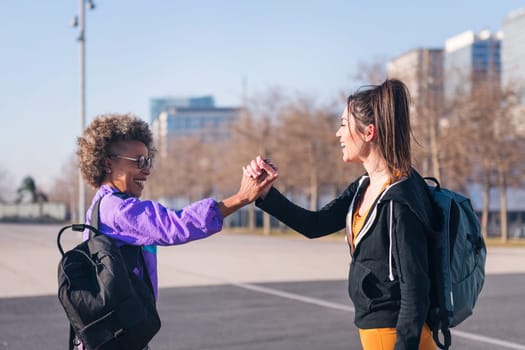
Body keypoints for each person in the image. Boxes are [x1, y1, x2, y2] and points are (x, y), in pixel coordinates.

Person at [245, 79, 438, 350]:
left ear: (369, 132)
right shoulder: (364, 187)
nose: (338, 133)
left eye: (343, 124)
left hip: (395, 336)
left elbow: (416, 289)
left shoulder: (399, 199)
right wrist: (266, 193)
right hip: (380, 333)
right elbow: (315, 225)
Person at [76, 113, 277, 349]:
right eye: (138, 161)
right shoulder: (118, 208)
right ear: (109, 163)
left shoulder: (102, 205)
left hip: (116, 333)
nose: (146, 170)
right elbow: (175, 225)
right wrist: (241, 198)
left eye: (148, 161)